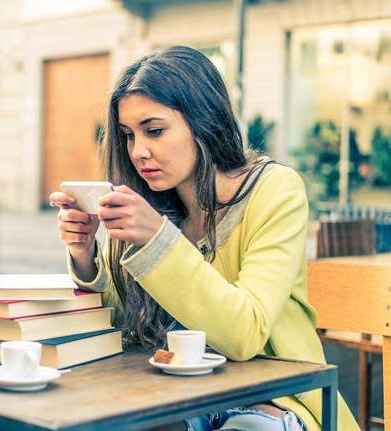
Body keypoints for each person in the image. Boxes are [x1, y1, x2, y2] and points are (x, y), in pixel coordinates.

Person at [50, 46, 359, 431]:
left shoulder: (276, 190)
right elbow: (123, 327)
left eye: (155, 130)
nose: (138, 151)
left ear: (204, 120)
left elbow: (244, 334)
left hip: (269, 401)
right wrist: (83, 253)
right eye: (128, 135)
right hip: (174, 399)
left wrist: (159, 241)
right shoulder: (149, 203)